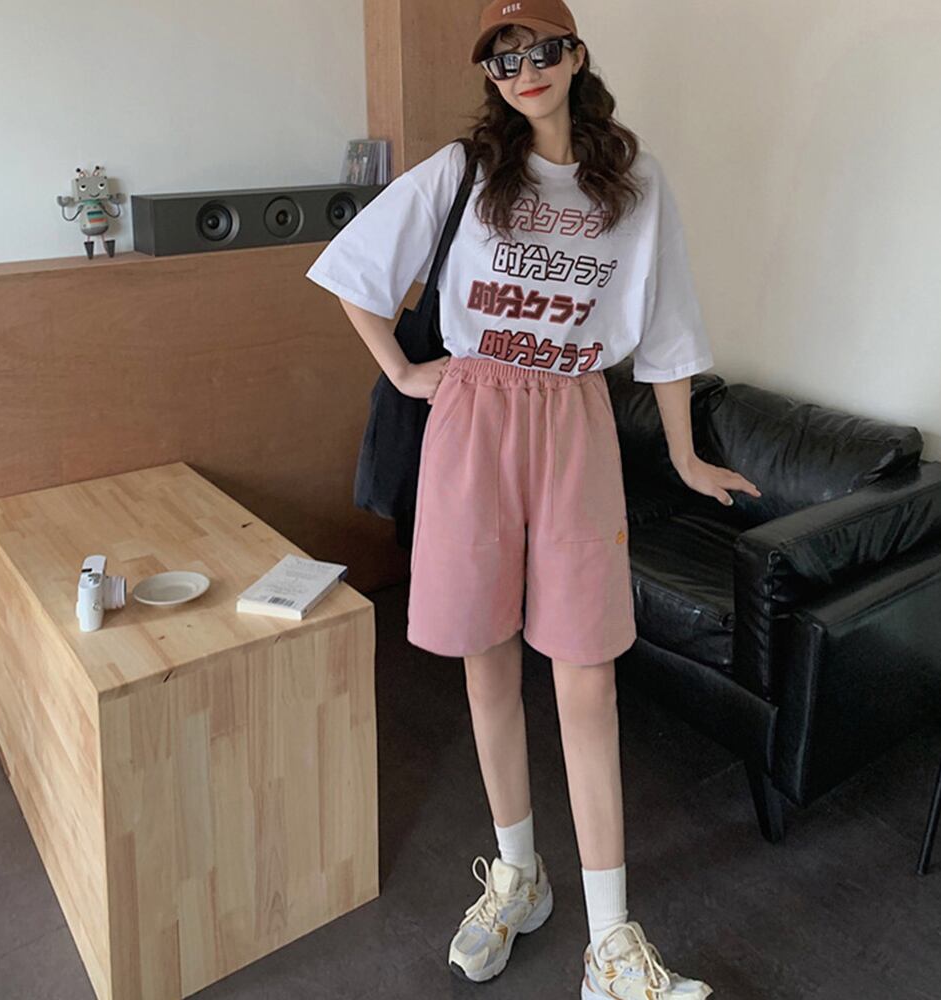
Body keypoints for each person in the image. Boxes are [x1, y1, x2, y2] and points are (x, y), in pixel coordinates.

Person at [305, 1, 760, 995]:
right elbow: (353, 272)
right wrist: (405, 372)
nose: (526, 71)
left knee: (587, 675)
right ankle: (519, 875)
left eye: (543, 49)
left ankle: (611, 941)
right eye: (504, 60)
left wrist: (685, 456)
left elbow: (669, 328)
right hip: (473, 418)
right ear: (492, 76)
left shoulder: (633, 183)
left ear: (576, 54)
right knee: (487, 663)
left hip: (573, 420)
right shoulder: (463, 172)